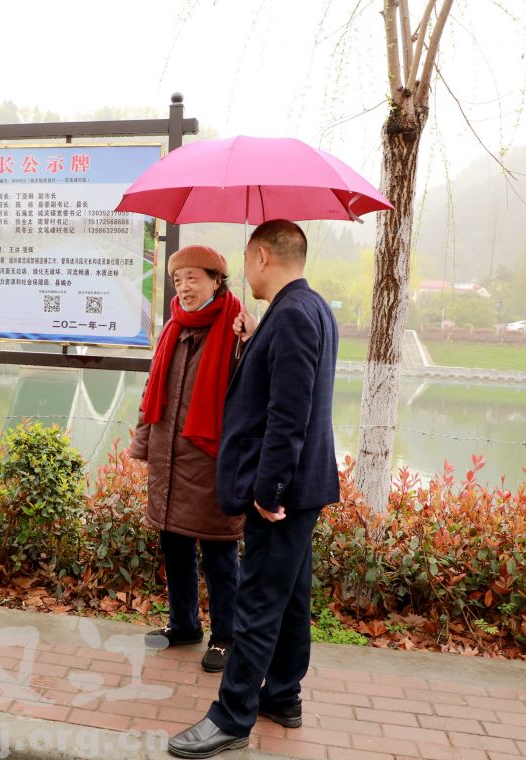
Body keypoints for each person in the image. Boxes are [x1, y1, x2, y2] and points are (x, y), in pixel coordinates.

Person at [167, 220, 339, 758]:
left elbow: (289, 415)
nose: (246, 272)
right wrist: (250, 340)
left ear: (262, 256)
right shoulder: (309, 309)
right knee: (289, 599)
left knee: (259, 602)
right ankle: (283, 695)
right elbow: (284, 389)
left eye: (246, 260)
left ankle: (232, 716)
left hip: (283, 494)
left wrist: (269, 492)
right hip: (303, 487)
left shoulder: (290, 316)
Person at [130, 244, 244, 673]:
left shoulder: (237, 329)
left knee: (219, 552)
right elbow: (151, 392)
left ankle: (225, 636)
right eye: (178, 280)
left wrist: (248, 340)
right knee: (173, 543)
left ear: (217, 280)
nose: (185, 287)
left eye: (194, 278)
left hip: (212, 461)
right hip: (169, 458)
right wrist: (144, 443)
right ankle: (184, 625)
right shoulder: (173, 327)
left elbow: (252, 397)